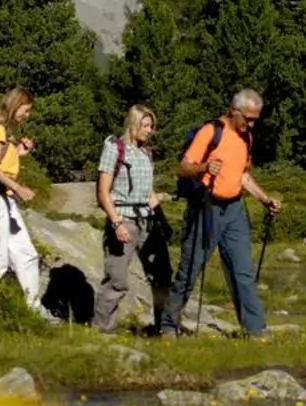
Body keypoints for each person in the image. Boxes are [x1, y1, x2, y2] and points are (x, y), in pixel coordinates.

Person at [159, 89, 282, 338]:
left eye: (255, 119)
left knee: (242, 271)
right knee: (190, 269)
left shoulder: (247, 138)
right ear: (233, 111)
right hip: (206, 207)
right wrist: (205, 167)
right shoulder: (211, 132)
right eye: (248, 118)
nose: (251, 124)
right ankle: (169, 325)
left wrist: (265, 199)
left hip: (234, 209)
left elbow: (242, 175)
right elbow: (182, 168)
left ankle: (256, 330)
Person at [93, 105, 172, 335]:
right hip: (123, 218)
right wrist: (116, 223)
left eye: (151, 126)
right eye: (145, 125)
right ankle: (103, 330)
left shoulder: (146, 153)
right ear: (133, 124)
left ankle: (164, 328)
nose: (149, 130)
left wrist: (162, 221)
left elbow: (148, 193)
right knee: (117, 280)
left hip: (148, 221)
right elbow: (103, 192)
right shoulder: (114, 148)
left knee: (162, 276)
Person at [0, 88, 53, 320]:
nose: (26, 115)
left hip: (4, 199)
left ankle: (33, 308)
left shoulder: (5, 131)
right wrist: (18, 188)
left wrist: (18, 152)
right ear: (15, 105)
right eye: (25, 110)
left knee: (26, 253)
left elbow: (1, 161)